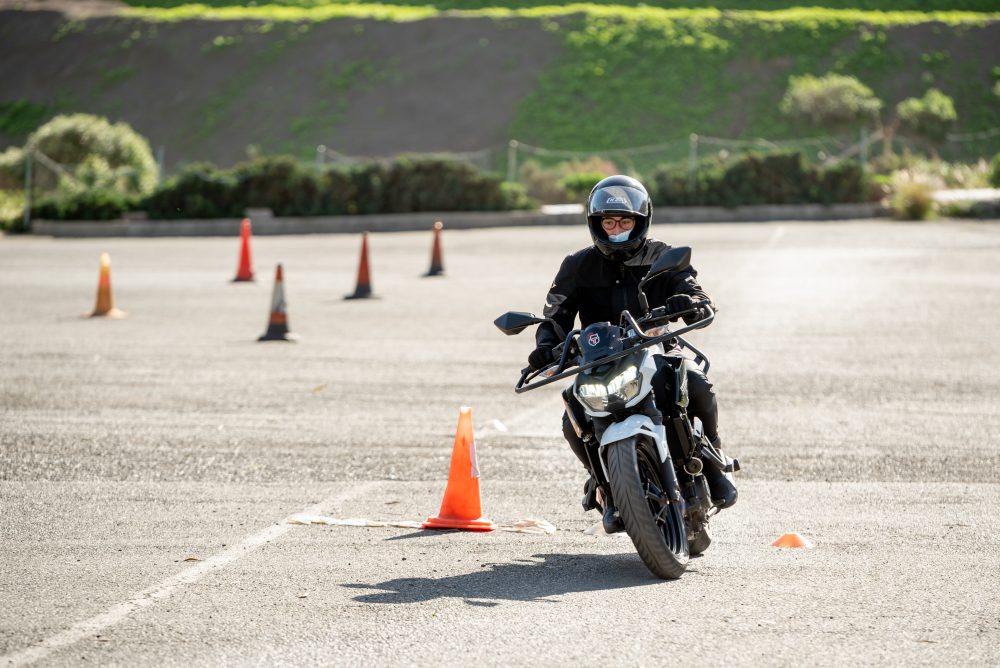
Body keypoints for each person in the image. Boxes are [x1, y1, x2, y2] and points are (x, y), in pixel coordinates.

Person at [527, 174, 737, 532]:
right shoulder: (576, 265)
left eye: (625, 221)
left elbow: (690, 285)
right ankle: (606, 488)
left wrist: (694, 302)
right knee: (572, 416)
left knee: (696, 383)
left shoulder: (662, 255)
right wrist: (546, 346)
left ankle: (712, 465)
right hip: (601, 360)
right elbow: (555, 315)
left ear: (641, 221)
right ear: (597, 224)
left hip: (656, 347)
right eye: (609, 222)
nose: (617, 228)